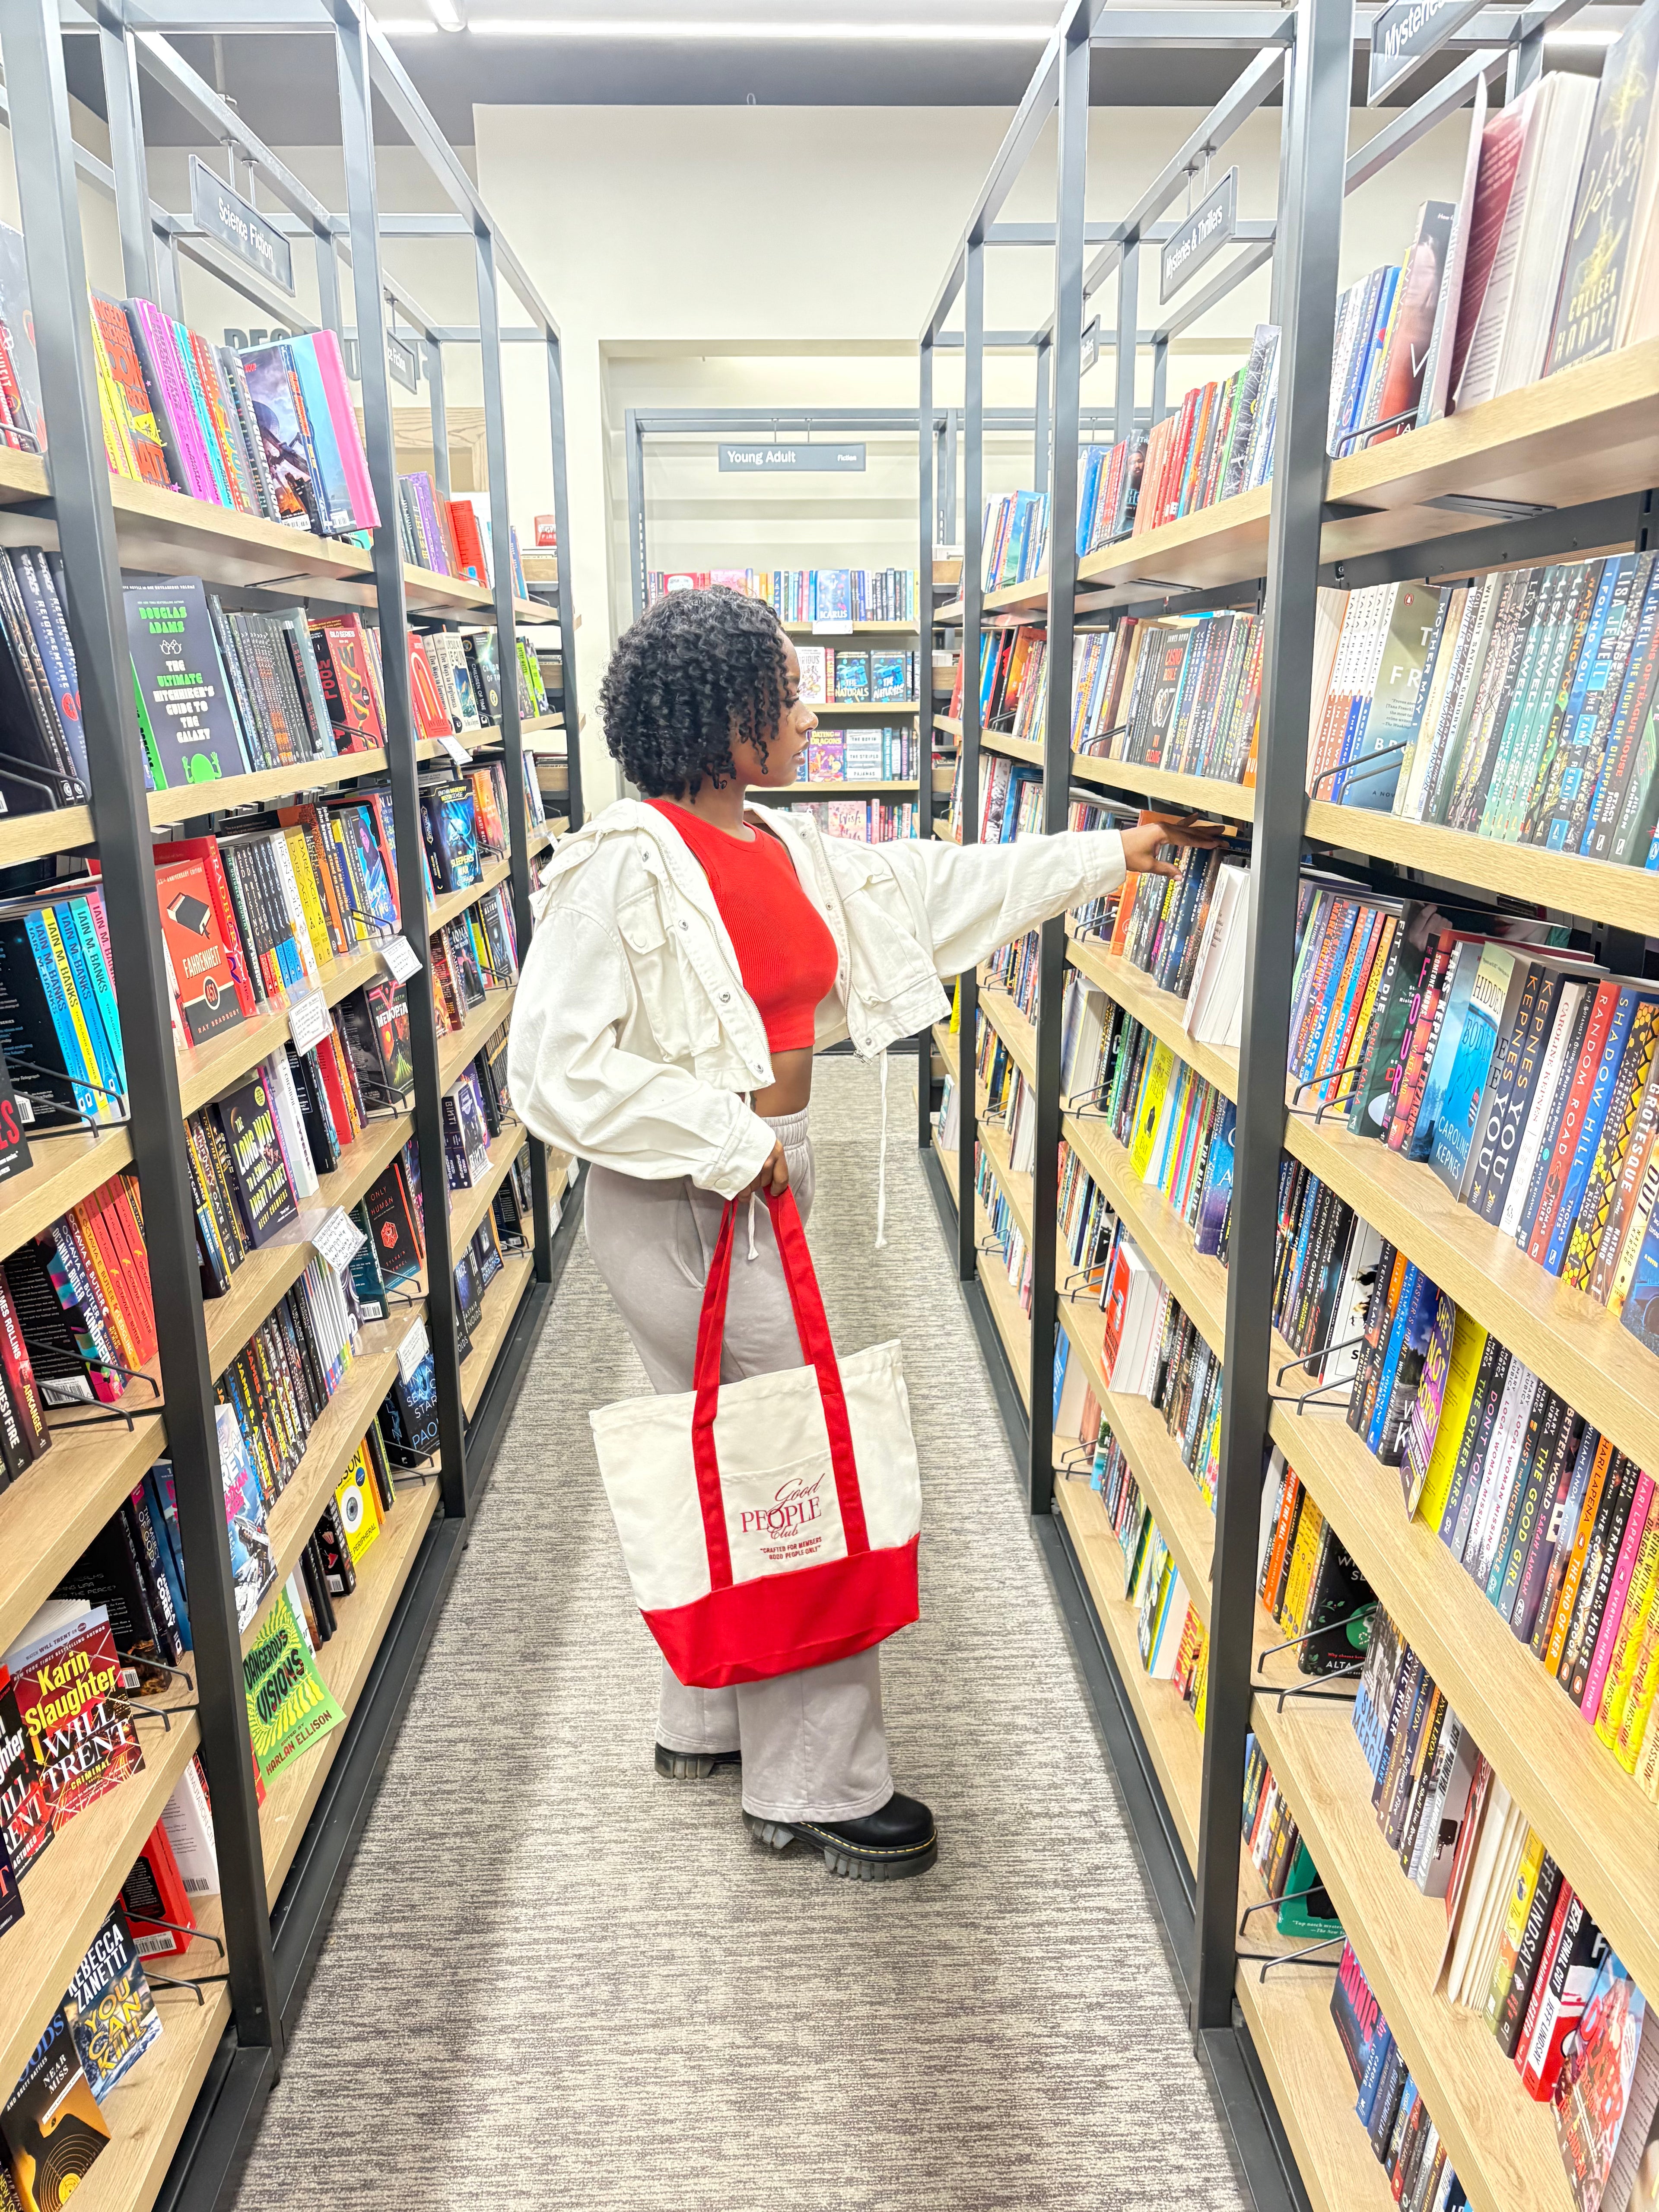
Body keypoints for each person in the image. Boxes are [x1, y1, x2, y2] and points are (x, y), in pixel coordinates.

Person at [508, 584, 1221, 1884]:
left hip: (758, 1184)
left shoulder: (784, 846)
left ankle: (710, 1713)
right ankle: (817, 1787)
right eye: (787, 695)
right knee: (798, 1475)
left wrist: (1107, 855)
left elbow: (936, 891)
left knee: (722, 1447)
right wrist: (736, 1146)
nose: (809, 712)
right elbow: (551, 1069)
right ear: (730, 726)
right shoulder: (621, 864)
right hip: (686, 1199)